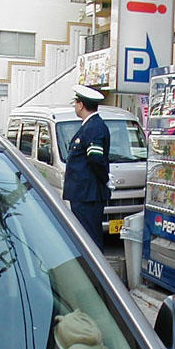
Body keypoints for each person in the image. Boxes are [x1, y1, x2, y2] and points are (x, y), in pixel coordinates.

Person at [63, 84, 111, 251]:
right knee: (84, 237)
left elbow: (96, 159)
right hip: (83, 194)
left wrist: (105, 179)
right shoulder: (89, 126)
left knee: (90, 238)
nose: (75, 106)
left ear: (81, 105)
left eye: (75, 102)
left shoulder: (94, 127)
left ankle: (96, 274)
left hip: (88, 195)